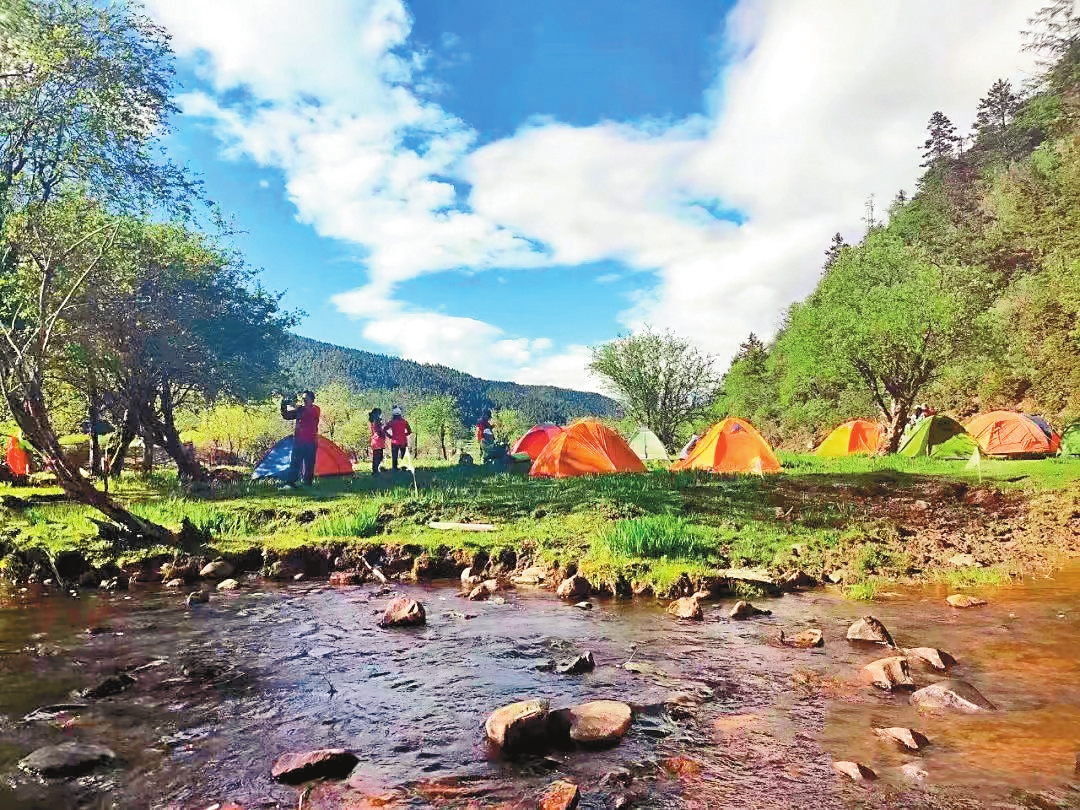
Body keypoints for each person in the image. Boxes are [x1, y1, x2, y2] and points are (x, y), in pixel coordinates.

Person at [280, 390, 320, 489]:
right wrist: (283, 405)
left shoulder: (315, 409)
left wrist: (293, 405)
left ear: (312, 399)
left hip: (311, 441)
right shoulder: (300, 410)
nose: (304, 400)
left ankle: (307, 483)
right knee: (295, 462)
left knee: (309, 464)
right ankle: (291, 483)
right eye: (303, 398)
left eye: (306, 398)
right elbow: (287, 416)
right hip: (299, 441)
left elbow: (307, 412)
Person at [386, 406, 413, 471]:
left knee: (394, 456)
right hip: (403, 441)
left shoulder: (391, 422)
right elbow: (410, 431)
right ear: (400, 414)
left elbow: (384, 429)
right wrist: (404, 434)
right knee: (403, 455)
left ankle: (395, 468)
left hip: (394, 441)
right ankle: (404, 467)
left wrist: (390, 436)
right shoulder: (405, 422)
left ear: (393, 415)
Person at [369, 408, 387, 476]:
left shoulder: (372, 420)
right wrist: (383, 434)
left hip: (376, 441)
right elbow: (378, 430)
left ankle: (375, 470)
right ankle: (375, 471)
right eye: (379, 413)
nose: (380, 414)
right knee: (378, 456)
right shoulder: (376, 421)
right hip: (378, 441)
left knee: (377, 456)